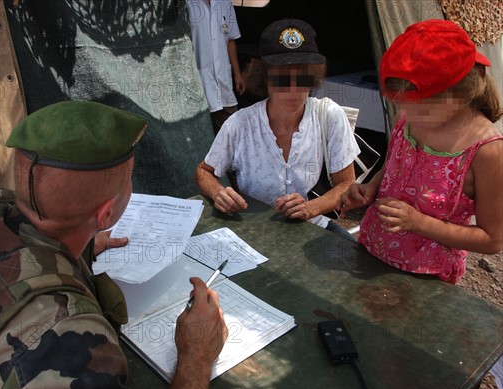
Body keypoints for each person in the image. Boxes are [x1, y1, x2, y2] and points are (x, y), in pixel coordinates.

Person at [0, 101, 227, 389]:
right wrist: (196, 357)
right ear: (107, 213)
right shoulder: (66, 341)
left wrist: (81, 243)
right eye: (129, 178)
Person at [338, 20, 503, 284]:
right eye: (401, 105)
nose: (407, 115)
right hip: (371, 253)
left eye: (421, 108)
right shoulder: (409, 118)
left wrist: (418, 223)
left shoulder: (487, 151)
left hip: (426, 278)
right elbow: (394, 165)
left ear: (459, 95)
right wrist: (371, 188)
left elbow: (492, 240)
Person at [195, 19, 360, 238]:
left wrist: (311, 208)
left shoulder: (329, 115)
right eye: (282, 80)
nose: (293, 90)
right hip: (254, 230)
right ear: (265, 78)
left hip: (311, 227)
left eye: (302, 79)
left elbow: (347, 182)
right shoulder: (240, 123)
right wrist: (218, 193)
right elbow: (203, 171)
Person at [188, 0, 246, 135]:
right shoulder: (186, 4)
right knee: (201, 135)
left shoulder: (224, 3)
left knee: (231, 132)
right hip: (198, 79)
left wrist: (237, 74)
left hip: (223, 80)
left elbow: (231, 40)